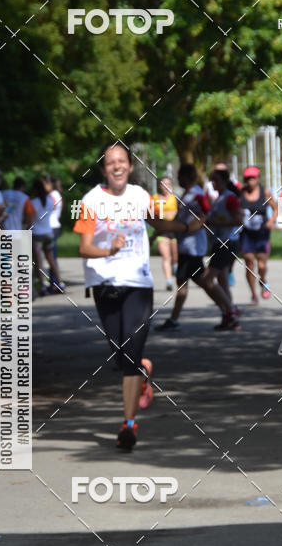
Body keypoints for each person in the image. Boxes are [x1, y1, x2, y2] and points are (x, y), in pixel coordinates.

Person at [74, 141, 201, 449]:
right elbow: (84, 248)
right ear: (103, 169)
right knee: (120, 355)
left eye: (121, 161)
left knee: (129, 352)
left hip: (138, 284)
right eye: (110, 162)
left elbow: (156, 222)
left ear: (130, 166)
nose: (116, 166)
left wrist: (187, 228)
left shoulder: (140, 196)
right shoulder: (91, 201)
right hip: (105, 284)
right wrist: (109, 249)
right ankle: (143, 372)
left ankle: (128, 425)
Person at [156, 163, 239, 331]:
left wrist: (190, 228)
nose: (178, 179)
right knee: (196, 281)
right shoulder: (187, 195)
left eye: (179, 176)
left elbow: (204, 216)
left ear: (187, 177)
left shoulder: (198, 195)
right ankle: (227, 312)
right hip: (188, 245)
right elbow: (183, 218)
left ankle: (229, 311)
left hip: (193, 246)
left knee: (203, 281)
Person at [205, 167, 243, 328]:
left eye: (216, 180)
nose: (213, 183)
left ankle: (231, 311)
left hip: (228, 242)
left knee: (207, 279)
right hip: (219, 242)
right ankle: (229, 318)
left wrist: (215, 223)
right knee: (223, 281)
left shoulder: (230, 198)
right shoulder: (218, 199)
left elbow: (239, 220)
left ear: (225, 181)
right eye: (211, 180)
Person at [239, 165, 276, 302]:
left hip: (262, 232)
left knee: (261, 264)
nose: (251, 181)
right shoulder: (241, 193)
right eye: (248, 178)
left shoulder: (264, 192)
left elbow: (275, 208)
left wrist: (271, 221)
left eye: (253, 178)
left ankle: (263, 280)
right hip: (246, 233)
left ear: (258, 178)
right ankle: (254, 294)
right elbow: (235, 210)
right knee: (249, 263)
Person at [30, 177, 63, 295]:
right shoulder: (49, 201)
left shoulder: (33, 202)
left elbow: (30, 218)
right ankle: (60, 283)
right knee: (51, 260)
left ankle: (43, 286)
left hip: (37, 235)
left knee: (39, 261)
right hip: (48, 233)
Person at [152, 175, 178, 290]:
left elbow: (179, 212)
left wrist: (171, 215)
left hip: (174, 230)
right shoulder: (154, 198)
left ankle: (175, 267)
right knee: (166, 256)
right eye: (163, 184)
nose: (166, 186)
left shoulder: (174, 198)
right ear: (159, 186)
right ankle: (168, 281)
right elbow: (152, 213)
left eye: (168, 184)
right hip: (161, 231)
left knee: (175, 257)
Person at [48, 176, 63, 268]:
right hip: (54, 225)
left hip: (51, 226)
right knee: (51, 253)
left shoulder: (52, 194)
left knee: (51, 254)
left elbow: (51, 206)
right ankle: (53, 274)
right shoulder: (57, 194)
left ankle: (54, 275)